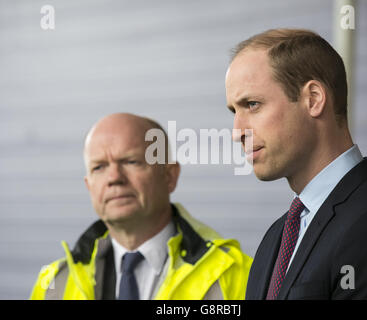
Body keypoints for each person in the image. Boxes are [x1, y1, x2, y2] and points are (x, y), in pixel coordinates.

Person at [225, 28, 367, 300]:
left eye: (253, 104)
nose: (237, 132)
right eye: (234, 111)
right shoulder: (277, 236)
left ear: (313, 99)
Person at [30, 113, 252, 300]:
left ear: (169, 176)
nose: (114, 177)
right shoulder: (53, 284)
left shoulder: (238, 275)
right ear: (89, 186)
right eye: (99, 167)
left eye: (131, 161)